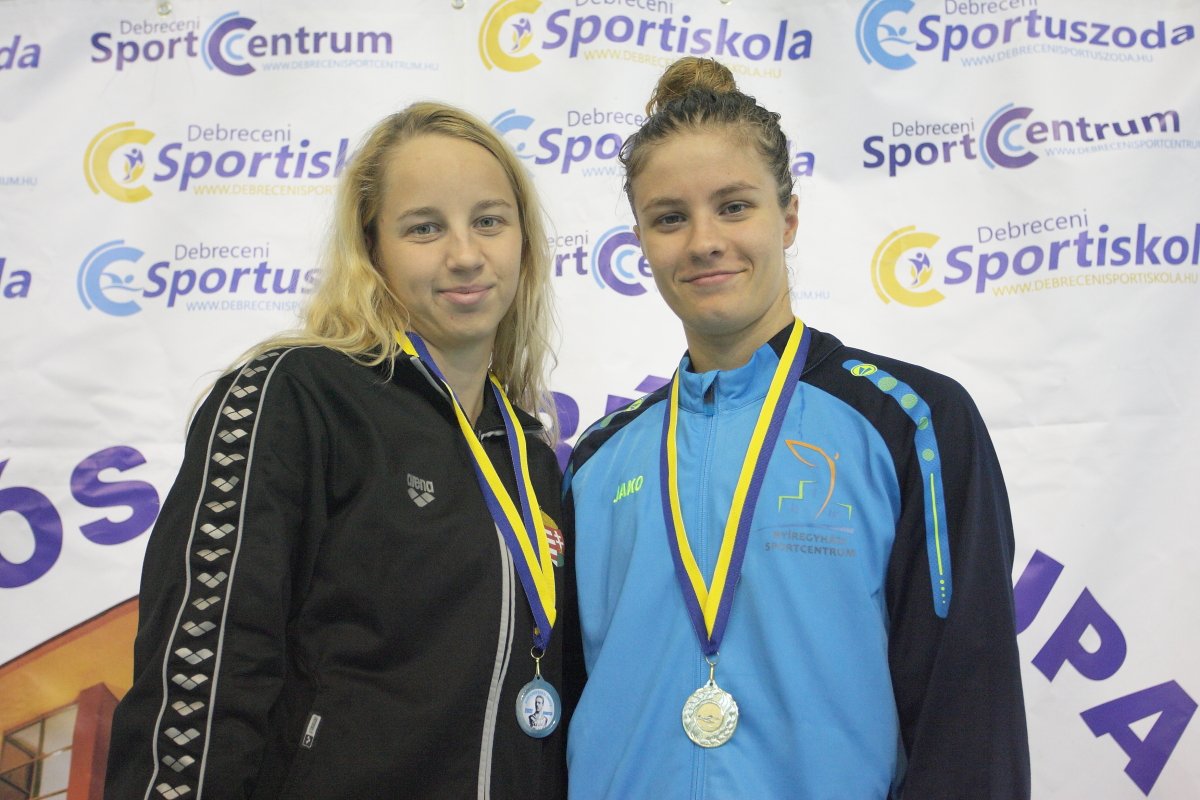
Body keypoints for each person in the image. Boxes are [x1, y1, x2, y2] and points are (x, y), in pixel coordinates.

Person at [563, 58, 1030, 799]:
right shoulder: (596, 461)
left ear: (788, 217)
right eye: (670, 217)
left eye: (734, 206)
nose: (703, 241)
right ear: (641, 241)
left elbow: (968, 716)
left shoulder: (914, 423)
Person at [105, 102, 573, 800]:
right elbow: (201, 667)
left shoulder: (529, 456)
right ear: (372, 248)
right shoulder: (294, 395)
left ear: (523, 241)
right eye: (424, 227)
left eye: (488, 221)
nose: (465, 254)